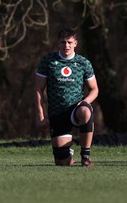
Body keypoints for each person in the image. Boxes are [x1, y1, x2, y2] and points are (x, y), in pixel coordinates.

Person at [34, 28, 99, 167]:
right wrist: (40, 115)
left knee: (86, 111)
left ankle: (85, 156)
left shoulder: (83, 63)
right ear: (58, 44)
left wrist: (85, 102)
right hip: (57, 113)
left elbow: (94, 89)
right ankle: (67, 153)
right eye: (63, 42)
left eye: (69, 42)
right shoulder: (48, 61)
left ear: (76, 43)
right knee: (62, 163)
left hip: (76, 110)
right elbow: (38, 89)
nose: (66, 46)